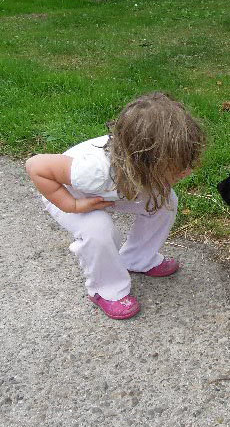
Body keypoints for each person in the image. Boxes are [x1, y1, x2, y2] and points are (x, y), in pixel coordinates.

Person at [25, 92, 206, 320]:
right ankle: (106, 289)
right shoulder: (93, 171)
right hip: (67, 193)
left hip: (116, 189)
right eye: (178, 168)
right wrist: (72, 205)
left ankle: (137, 258)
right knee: (98, 229)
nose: (187, 172)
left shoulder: (139, 167)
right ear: (145, 162)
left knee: (164, 202)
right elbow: (35, 166)